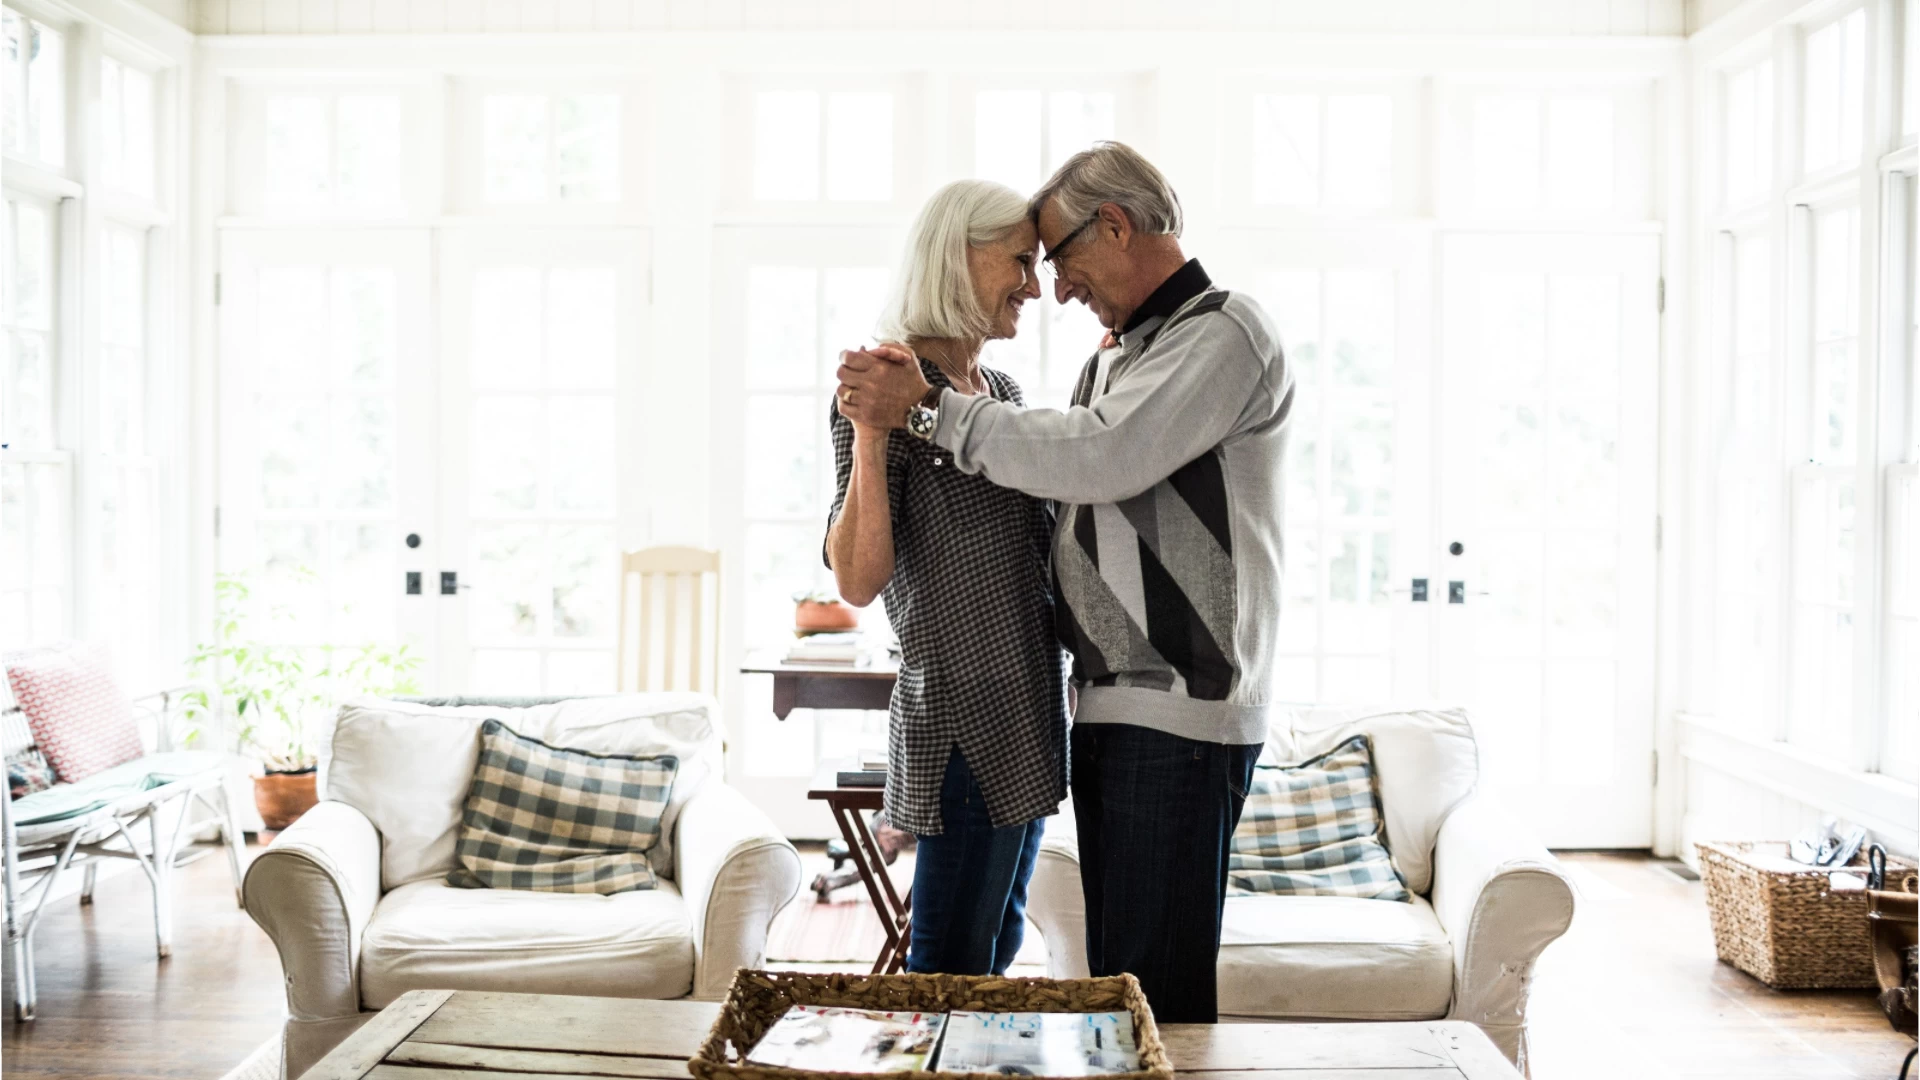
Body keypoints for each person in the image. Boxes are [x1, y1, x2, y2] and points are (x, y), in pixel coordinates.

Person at [835, 142, 1293, 1022]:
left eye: (1056, 259)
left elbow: (1099, 457)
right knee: (1081, 971)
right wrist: (884, 425)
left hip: (1160, 708)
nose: (1051, 288)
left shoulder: (1218, 332)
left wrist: (929, 412)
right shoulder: (1118, 355)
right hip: (1056, 710)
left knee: (1136, 985)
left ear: (1114, 226)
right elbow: (873, 568)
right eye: (1023, 261)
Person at [823, 178, 1065, 976]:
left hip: (1029, 707)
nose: (1034, 285)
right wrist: (868, 435)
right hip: (963, 721)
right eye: (1019, 262)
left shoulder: (1001, 394)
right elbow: (857, 581)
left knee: (997, 948)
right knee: (948, 967)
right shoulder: (888, 382)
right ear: (959, 259)